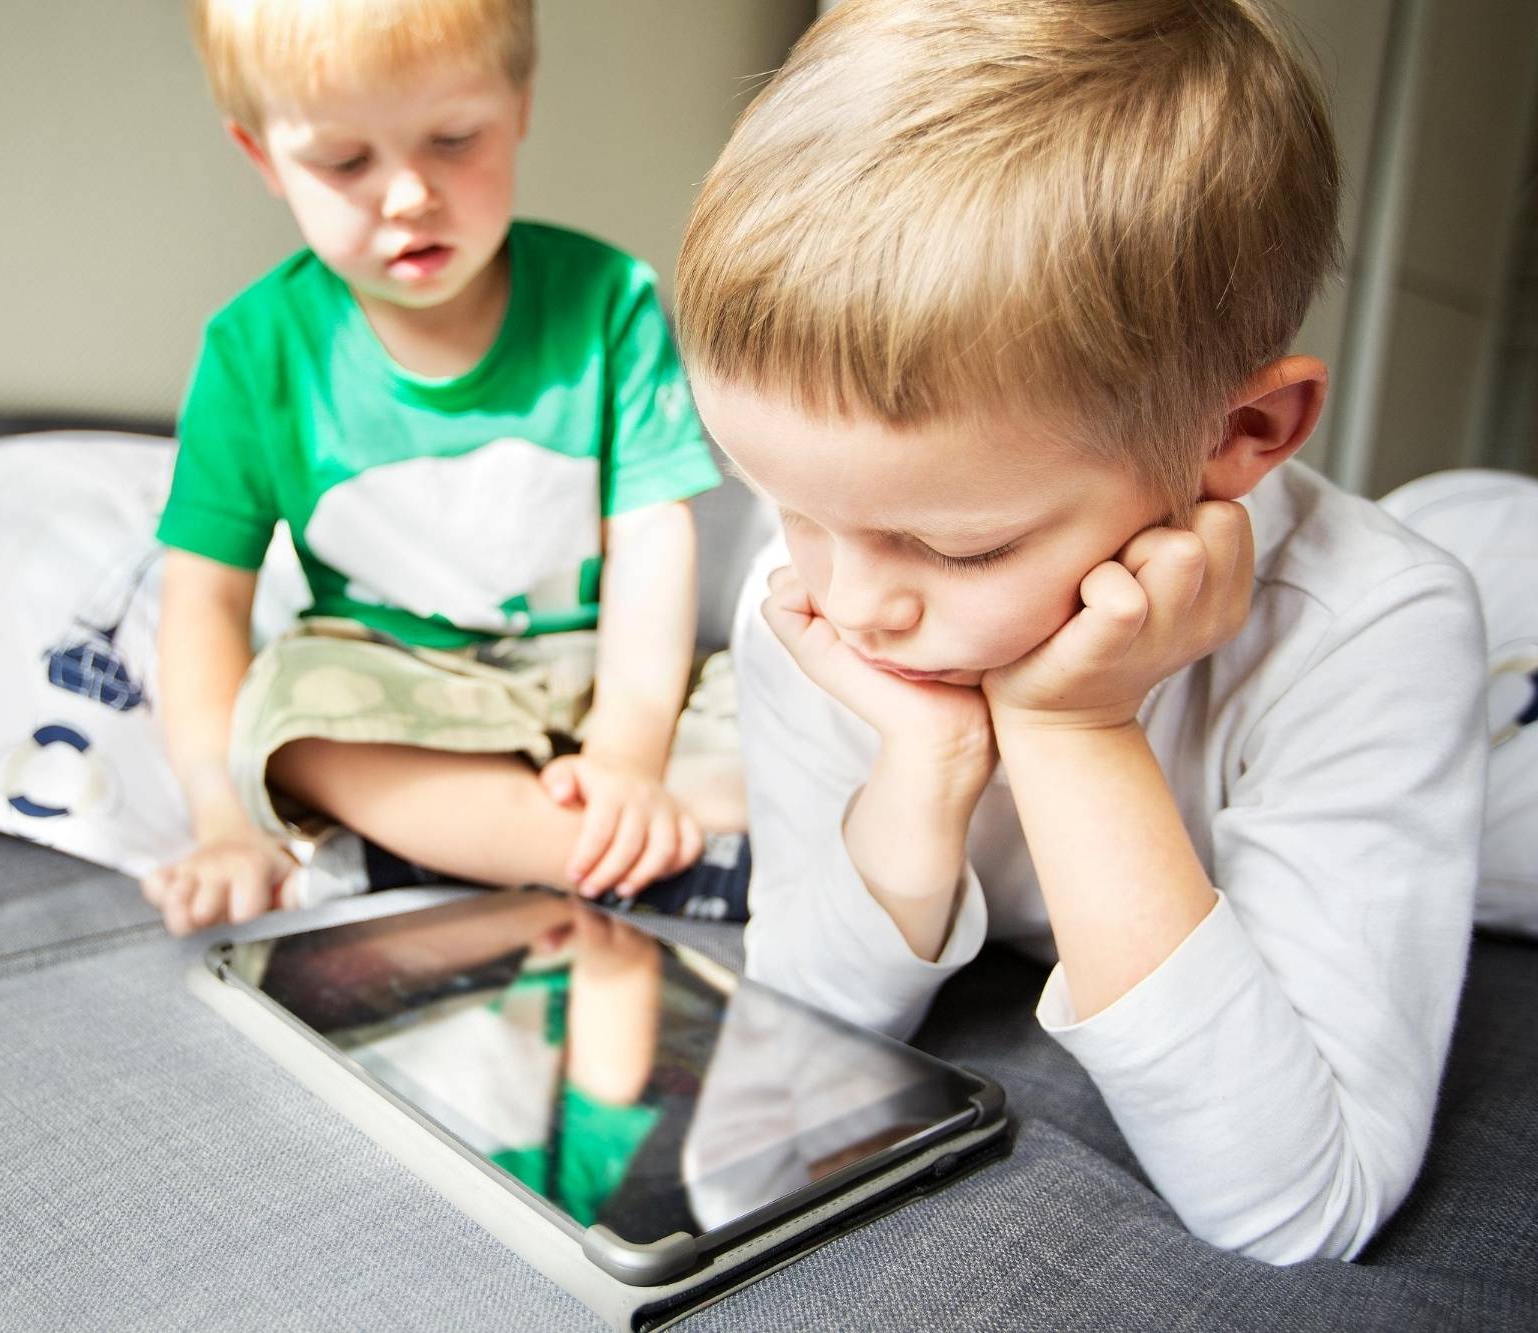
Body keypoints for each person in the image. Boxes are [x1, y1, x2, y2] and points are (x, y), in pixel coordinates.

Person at [672, 0, 1488, 1264]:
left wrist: (1073, 730)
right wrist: (924, 769)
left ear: (1240, 440)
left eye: (957, 547)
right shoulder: (823, 572)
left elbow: (1300, 1207)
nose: (848, 599)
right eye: (790, 505)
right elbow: (802, 1011)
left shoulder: (1374, 629)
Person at [143, 0, 745, 938]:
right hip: (399, 683)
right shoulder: (253, 352)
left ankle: (451, 850)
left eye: (456, 138)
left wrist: (628, 752)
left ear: (520, 104)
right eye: (346, 163)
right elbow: (204, 602)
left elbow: (654, 541)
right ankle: (635, 860)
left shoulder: (607, 302)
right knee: (289, 717)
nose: (410, 194)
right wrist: (221, 820)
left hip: (601, 682)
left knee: (794, 712)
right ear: (262, 156)